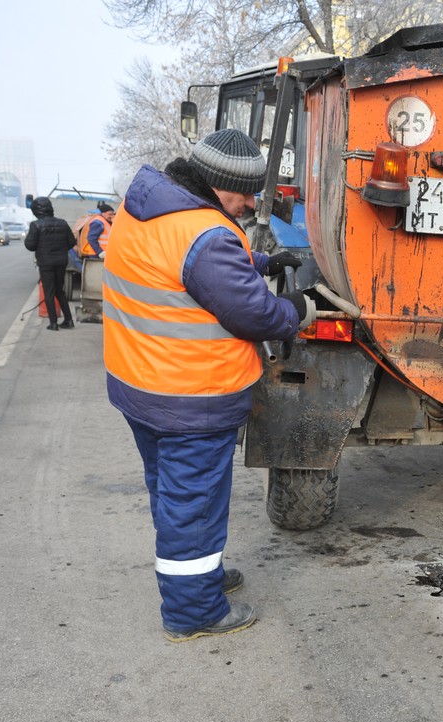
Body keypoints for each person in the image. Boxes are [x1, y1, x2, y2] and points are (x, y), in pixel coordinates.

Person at [104, 128, 314, 642]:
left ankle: (201, 572)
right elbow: (254, 312)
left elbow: (186, 268)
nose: (248, 203)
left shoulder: (154, 205)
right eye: (243, 193)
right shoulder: (205, 232)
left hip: (142, 382)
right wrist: (298, 308)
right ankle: (194, 612)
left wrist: (262, 262)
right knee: (193, 501)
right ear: (217, 184)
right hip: (189, 396)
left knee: (175, 494)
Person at [24, 197, 78, 331]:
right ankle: (69, 320)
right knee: (60, 291)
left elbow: (30, 245)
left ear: (36, 210)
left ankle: (53, 323)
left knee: (49, 292)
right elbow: (71, 242)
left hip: (46, 262)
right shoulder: (63, 223)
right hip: (61, 261)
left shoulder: (35, 225)